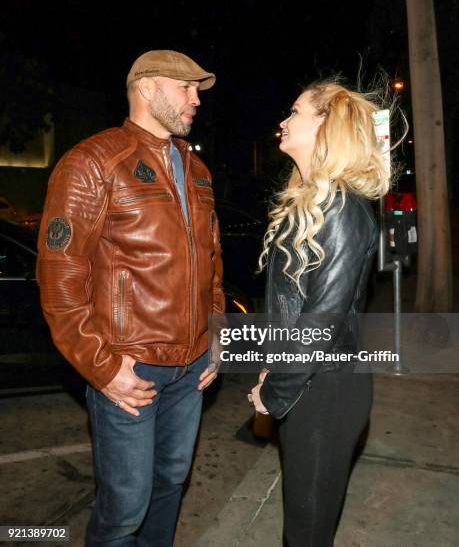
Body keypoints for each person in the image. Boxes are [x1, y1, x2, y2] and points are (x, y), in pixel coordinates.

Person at [36, 49, 225, 546]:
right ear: (145, 89)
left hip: (192, 369)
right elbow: (60, 277)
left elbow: (213, 265)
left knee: (169, 486)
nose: (195, 99)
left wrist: (217, 337)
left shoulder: (198, 170)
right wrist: (101, 367)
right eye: (184, 87)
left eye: (198, 91)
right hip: (130, 368)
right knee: (124, 510)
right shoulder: (92, 162)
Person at [250, 80, 391, 546]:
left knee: (306, 534)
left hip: (326, 391)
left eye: (295, 112)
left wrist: (275, 390)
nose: (284, 121)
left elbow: (320, 323)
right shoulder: (313, 203)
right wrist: (274, 366)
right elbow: (293, 308)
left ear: (326, 125)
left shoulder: (344, 211)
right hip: (309, 383)